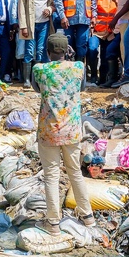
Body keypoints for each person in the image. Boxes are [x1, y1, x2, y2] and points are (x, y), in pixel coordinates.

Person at [31, 32, 95, 236]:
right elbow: (82, 88)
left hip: (49, 131)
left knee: (51, 176)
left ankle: (53, 224)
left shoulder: (40, 69)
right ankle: (88, 218)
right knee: (75, 172)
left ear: (48, 52)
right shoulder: (78, 68)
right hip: (71, 131)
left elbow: (37, 89)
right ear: (66, 51)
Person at [15, 0, 53, 84]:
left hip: (44, 24)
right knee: (29, 51)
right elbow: (21, 10)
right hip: (31, 25)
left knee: (41, 50)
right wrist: (23, 27)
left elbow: (53, 4)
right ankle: (27, 79)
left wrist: (50, 10)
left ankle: (37, 78)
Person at [94, 0, 121, 87]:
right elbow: (94, 10)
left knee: (109, 53)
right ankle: (98, 78)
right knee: (93, 50)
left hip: (112, 32)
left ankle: (110, 79)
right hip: (98, 31)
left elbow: (121, 10)